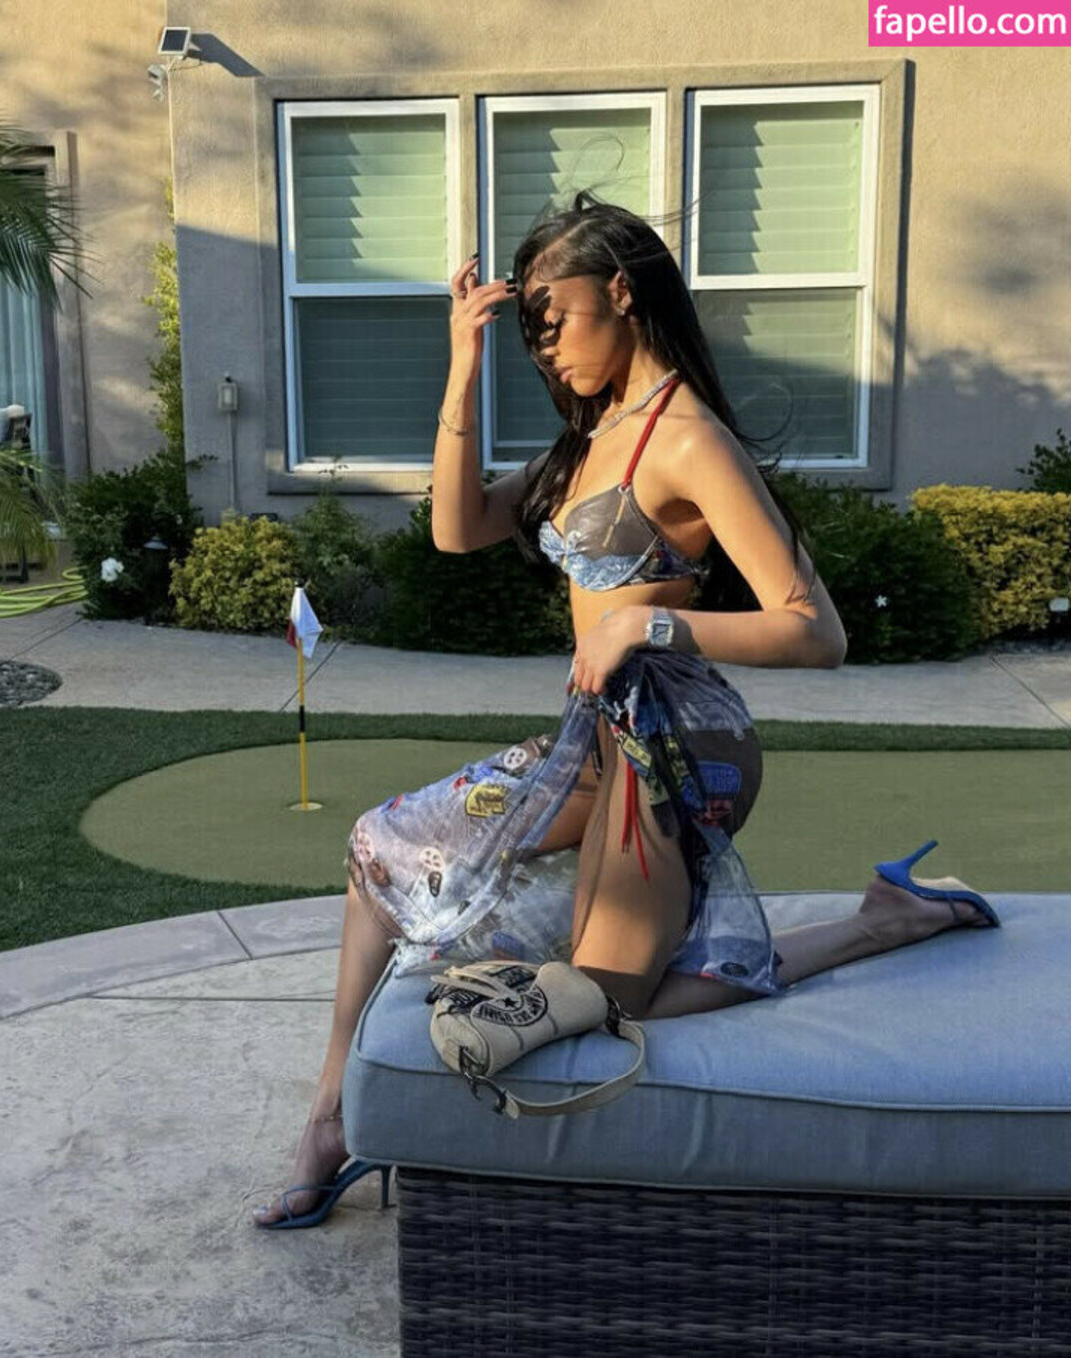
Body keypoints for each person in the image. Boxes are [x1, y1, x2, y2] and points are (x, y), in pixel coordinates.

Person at [251, 192, 998, 1229]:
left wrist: (649, 623)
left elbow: (815, 629)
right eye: (530, 332)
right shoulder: (594, 435)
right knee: (382, 845)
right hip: (592, 741)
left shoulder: (688, 438)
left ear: (620, 291)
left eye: (554, 319)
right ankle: (331, 1112)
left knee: (611, 994)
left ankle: (881, 921)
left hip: (675, 742)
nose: (546, 348)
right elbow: (456, 529)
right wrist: (463, 365)